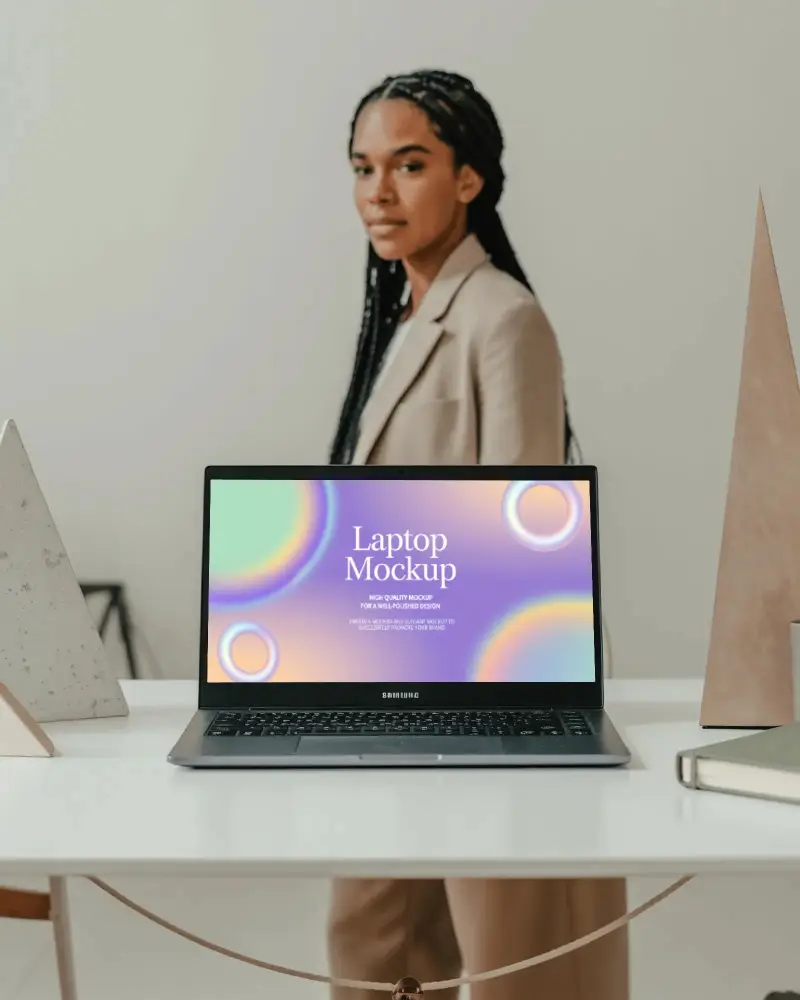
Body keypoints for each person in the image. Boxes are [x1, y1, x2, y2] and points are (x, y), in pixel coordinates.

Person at [327, 69, 628, 1000]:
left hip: (485, 701)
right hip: (393, 689)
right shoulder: (402, 318)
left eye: (409, 164)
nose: (379, 191)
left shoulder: (504, 318)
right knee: (374, 942)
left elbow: (523, 545)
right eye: (364, 168)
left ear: (469, 179)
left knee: (513, 959)